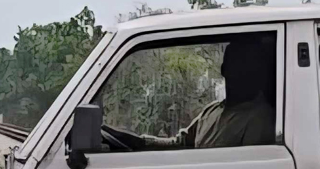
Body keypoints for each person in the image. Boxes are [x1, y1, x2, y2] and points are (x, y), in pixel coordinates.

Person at [110, 35, 276, 150]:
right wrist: (138, 142)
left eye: (246, 67)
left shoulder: (260, 118)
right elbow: (181, 143)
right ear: (224, 70)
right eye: (236, 65)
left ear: (257, 72)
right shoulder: (211, 110)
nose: (241, 73)